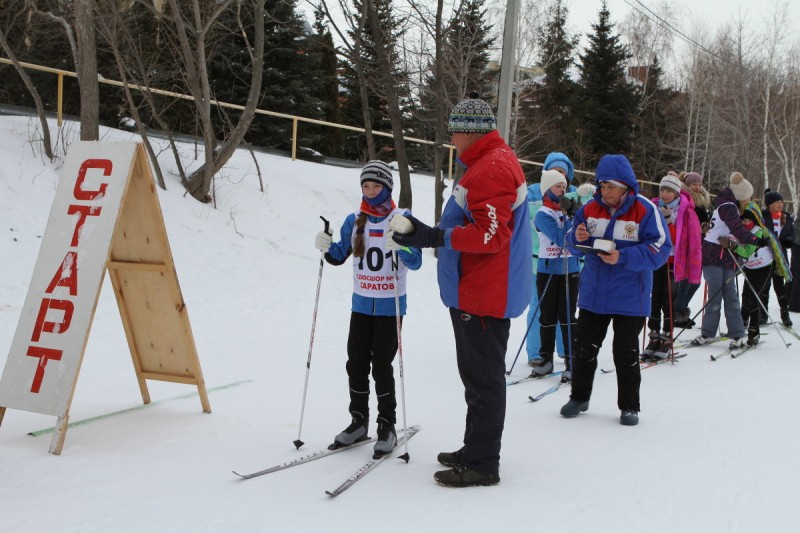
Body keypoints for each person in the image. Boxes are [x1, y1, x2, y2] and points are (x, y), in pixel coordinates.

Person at [391, 92, 531, 488]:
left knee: (484, 380)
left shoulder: (491, 169)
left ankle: (483, 464)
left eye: (454, 133)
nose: (451, 140)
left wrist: (435, 236)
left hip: (485, 294)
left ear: (469, 133)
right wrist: (431, 235)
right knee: (476, 378)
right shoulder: (486, 163)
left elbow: (490, 236)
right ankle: (475, 449)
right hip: (478, 290)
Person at [314, 160, 422, 458]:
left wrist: (402, 246)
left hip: (391, 306)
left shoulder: (402, 218)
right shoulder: (355, 220)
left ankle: (386, 424)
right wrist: (325, 246)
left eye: (376, 186)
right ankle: (358, 420)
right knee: (356, 363)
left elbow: (416, 261)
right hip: (361, 304)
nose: (371, 191)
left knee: (382, 366)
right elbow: (338, 257)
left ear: (387, 187)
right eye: (366, 186)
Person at [561, 155, 671, 427]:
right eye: (601, 185)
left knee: (625, 352)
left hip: (630, 297)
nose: (604, 191)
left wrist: (622, 257)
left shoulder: (646, 210)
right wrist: (578, 238)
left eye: (609, 186)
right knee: (584, 348)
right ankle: (579, 397)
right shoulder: (588, 208)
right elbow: (569, 238)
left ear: (625, 186)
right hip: (593, 294)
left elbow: (660, 249)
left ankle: (630, 406)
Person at [691, 172, 757, 348]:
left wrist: (734, 241)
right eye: (747, 197)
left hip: (726, 256)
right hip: (713, 255)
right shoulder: (728, 205)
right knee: (715, 295)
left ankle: (737, 333)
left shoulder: (730, 204)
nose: (748, 201)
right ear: (741, 195)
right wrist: (754, 240)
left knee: (731, 296)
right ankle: (707, 333)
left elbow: (729, 231)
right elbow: (736, 228)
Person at [524, 152, 576, 368]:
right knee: (540, 307)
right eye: (555, 173)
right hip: (540, 261)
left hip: (567, 264)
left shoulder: (573, 197)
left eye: (563, 174)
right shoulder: (532, 195)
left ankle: (566, 351)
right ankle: (537, 352)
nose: (560, 179)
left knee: (565, 309)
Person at [643, 175, 702, 358]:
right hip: (655, 260)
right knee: (654, 300)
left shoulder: (686, 211)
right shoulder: (653, 207)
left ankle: (667, 338)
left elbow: (683, 240)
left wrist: (669, 222)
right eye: (662, 190)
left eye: (669, 191)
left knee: (669, 300)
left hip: (674, 262)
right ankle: (654, 337)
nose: (665, 194)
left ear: (676, 192)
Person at [674, 171, 712, 328]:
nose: (697, 187)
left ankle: (681, 310)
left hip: (701, 243)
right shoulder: (685, 198)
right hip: (689, 243)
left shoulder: (703, 200)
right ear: (688, 185)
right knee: (686, 281)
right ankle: (678, 314)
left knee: (695, 282)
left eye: (699, 184)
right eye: (694, 184)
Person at [760, 189, 795, 327]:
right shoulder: (763, 217)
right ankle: (763, 315)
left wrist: (788, 241)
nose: (780, 204)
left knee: (780, 287)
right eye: (776, 202)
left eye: (781, 201)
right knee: (765, 286)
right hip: (766, 256)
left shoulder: (786, 217)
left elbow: (791, 234)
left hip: (780, 257)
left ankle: (784, 314)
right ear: (769, 204)